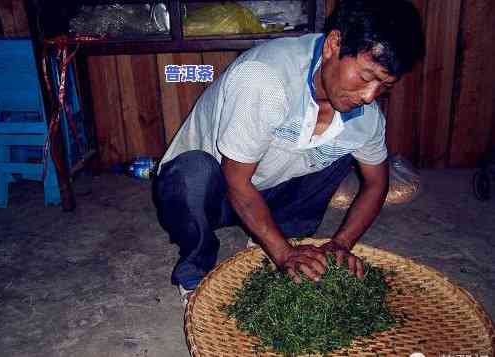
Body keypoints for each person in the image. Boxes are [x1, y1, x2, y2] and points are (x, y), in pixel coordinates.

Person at [153, 0, 425, 304]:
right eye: (365, 76)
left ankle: (279, 235)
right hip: (212, 192)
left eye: (383, 86)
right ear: (334, 44)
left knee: (345, 149)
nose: (368, 96)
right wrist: (283, 254)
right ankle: (195, 266)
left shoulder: (367, 116)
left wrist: (341, 244)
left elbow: (377, 183)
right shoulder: (266, 78)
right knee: (190, 174)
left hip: (267, 196)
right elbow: (237, 181)